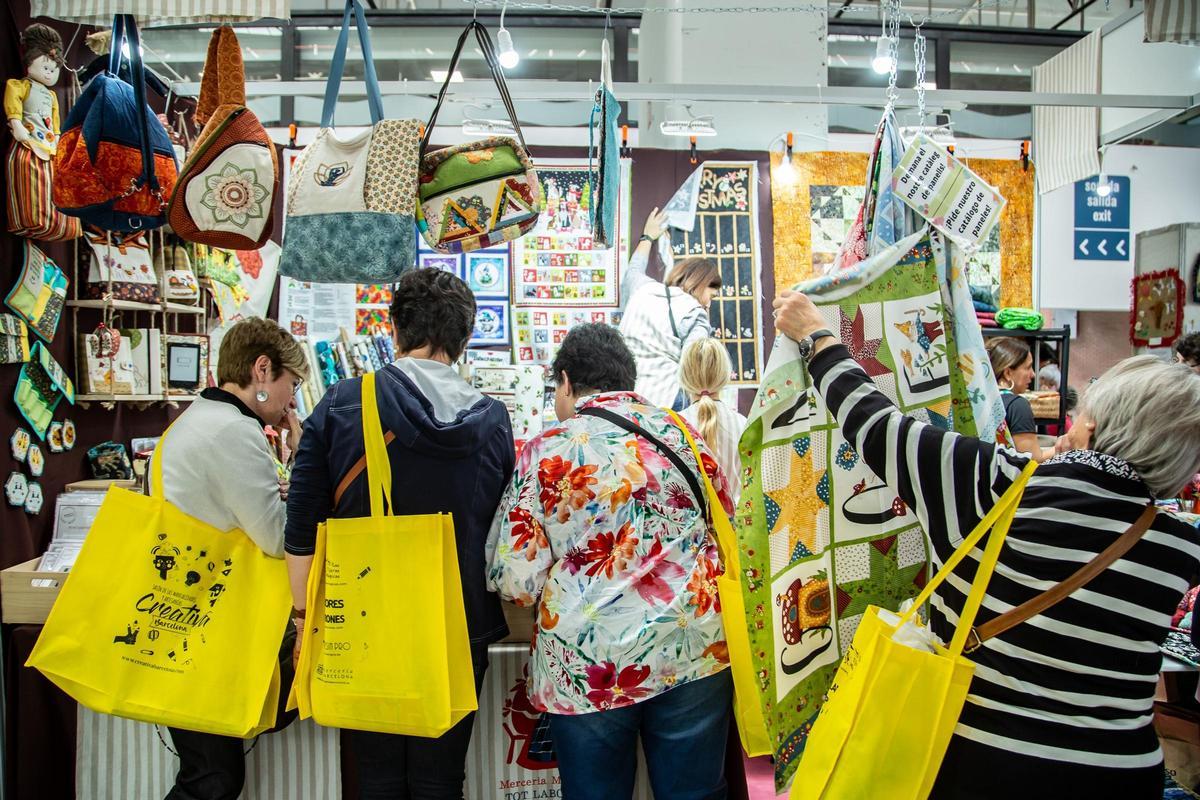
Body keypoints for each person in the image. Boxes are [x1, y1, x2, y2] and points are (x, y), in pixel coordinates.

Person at [774, 289, 1200, 799]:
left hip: (985, 761)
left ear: (1093, 423)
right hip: (1120, 773)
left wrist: (816, 335)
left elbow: (875, 424)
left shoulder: (994, 484)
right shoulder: (1178, 545)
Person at [285, 268, 514, 800]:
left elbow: (301, 531)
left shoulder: (343, 403)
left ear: (394, 328)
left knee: (376, 779)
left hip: (366, 619)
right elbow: (504, 529)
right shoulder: (495, 418)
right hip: (457, 622)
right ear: (463, 338)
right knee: (440, 781)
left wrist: (303, 621)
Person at [486, 323, 734, 800]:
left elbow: (517, 581)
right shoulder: (685, 434)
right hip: (693, 651)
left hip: (588, 662)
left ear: (565, 382)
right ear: (629, 379)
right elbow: (725, 528)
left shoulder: (547, 450)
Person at [154, 317, 308, 800]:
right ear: (262, 370)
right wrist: (303, 461)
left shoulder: (197, 418)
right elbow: (278, 539)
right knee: (211, 780)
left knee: (210, 774)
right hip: (210, 629)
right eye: (292, 383)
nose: (293, 400)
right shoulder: (231, 432)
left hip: (183, 618)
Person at [619, 207, 722, 409]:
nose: (708, 303)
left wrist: (647, 236)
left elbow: (633, 271)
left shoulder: (642, 288)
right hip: (665, 400)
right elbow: (694, 367)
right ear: (700, 283)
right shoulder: (694, 313)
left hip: (624, 397)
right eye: (711, 295)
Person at [679, 337, 749, 503]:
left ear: (684, 376)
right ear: (724, 375)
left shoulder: (675, 425)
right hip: (736, 526)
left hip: (693, 526)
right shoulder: (743, 423)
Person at [985, 336, 1053, 462]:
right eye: (1028, 367)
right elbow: (1032, 459)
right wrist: (1064, 446)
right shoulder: (1017, 405)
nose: (1033, 374)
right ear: (1008, 373)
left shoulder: (979, 400)